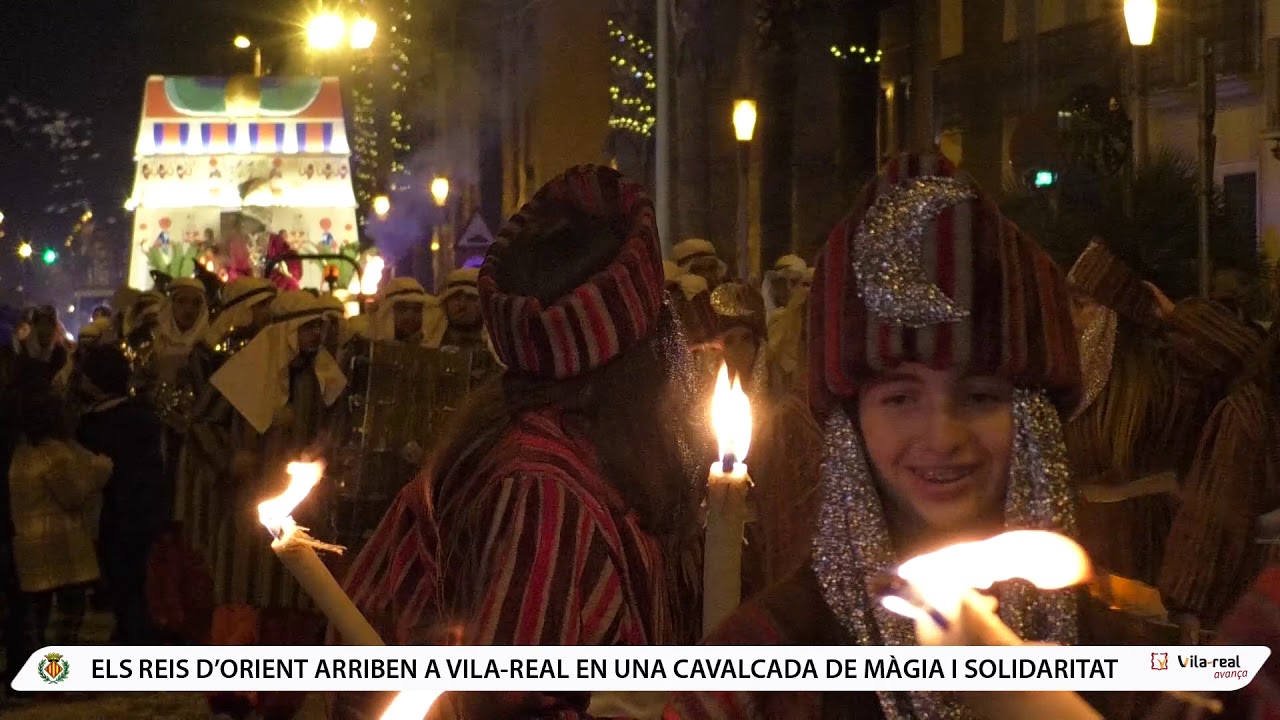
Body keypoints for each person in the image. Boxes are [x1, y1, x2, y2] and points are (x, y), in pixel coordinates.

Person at [665, 151, 1157, 720]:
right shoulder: (761, 667)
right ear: (852, 425)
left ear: (1033, 417)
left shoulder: (1130, 669)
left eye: (979, 397)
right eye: (900, 398)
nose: (942, 435)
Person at [334, 165, 706, 719]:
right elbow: (518, 701)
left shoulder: (578, 453)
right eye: (665, 322)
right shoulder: (542, 489)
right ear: (639, 355)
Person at [1063, 239, 1258, 590]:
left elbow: (1251, 365)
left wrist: (1178, 317)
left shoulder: (1171, 372)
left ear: (1115, 312)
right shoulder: (1066, 380)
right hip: (1085, 546)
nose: (1074, 321)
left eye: (1084, 305)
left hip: (1159, 543)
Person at [198, 291, 348, 720]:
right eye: (308, 327)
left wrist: (323, 455)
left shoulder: (327, 379)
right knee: (242, 597)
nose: (316, 335)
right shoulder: (244, 371)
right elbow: (203, 422)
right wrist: (232, 457)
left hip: (304, 507)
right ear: (285, 332)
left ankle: (282, 698)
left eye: (320, 326)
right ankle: (233, 695)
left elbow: (338, 432)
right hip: (246, 507)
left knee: (292, 602)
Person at [76, 344, 166, 645]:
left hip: (115, 510)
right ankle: (135, 630)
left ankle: (132, 634)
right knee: (138, 575)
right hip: (145, 507)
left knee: (122, 575)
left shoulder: (96, 421)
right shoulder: (143, 414)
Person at [8, 387, 111, 648]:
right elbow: (73, 494)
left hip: (29, 542)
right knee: (68, 617)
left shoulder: (21, 453)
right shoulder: (55, 455)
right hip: (60, 545)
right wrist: (100, 471)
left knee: (37, 617)